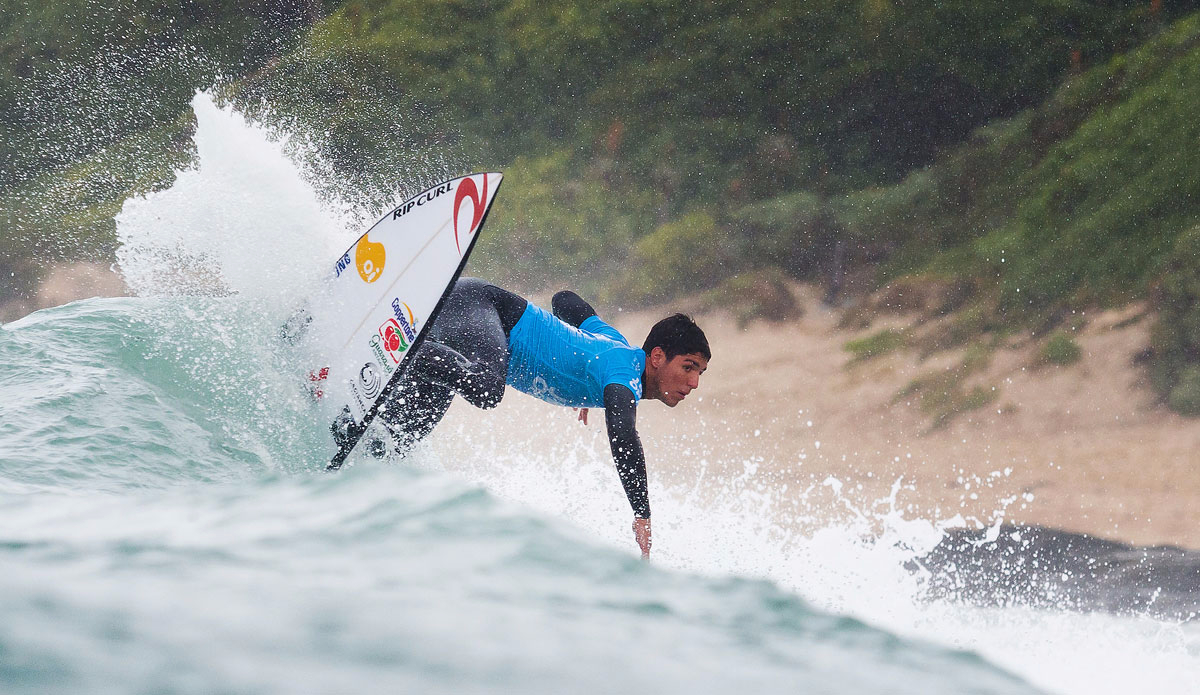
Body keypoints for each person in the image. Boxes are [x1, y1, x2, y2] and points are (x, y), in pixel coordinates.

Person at [368, 277, 710, 558]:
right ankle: (396, 344)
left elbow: (564, 300)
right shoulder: (623, 375)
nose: (694, 382)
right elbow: (623, 436)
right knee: (486, 390)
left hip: (463, 332)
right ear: (657, 357)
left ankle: (358, 409)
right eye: (688, 367)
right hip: (481, 306)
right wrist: (642, 512)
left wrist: (587, 372)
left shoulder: (612, 345)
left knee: (396, 441)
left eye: (700, 372)